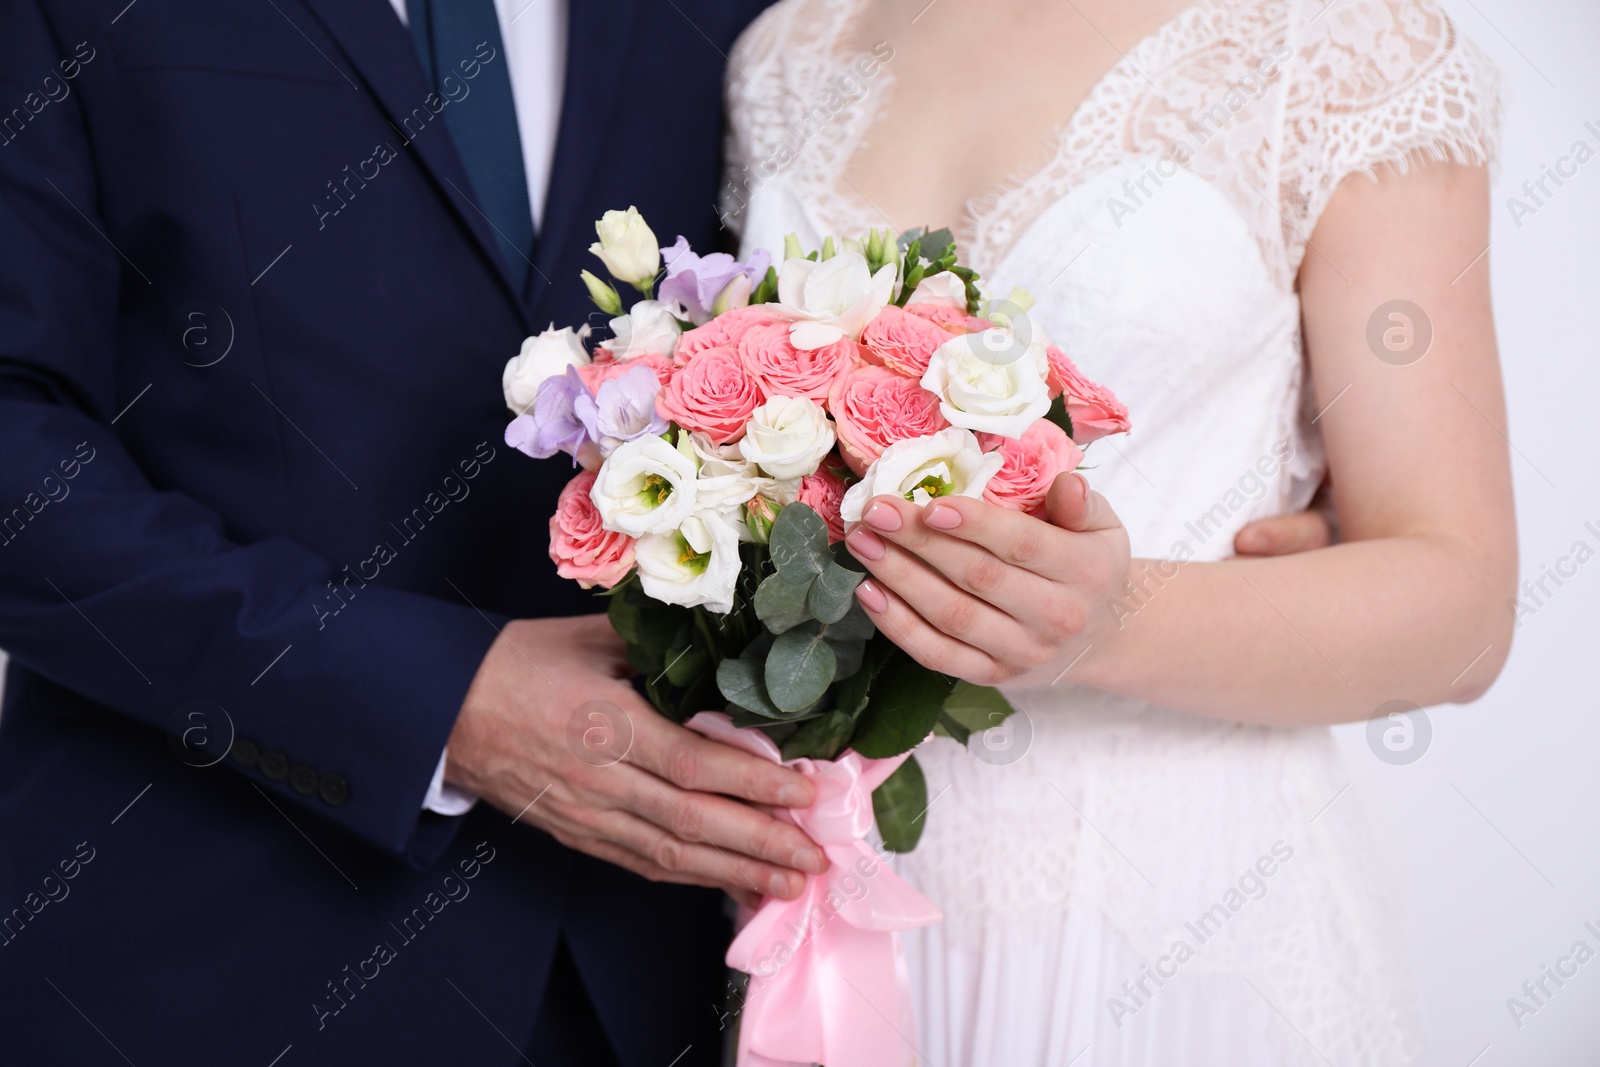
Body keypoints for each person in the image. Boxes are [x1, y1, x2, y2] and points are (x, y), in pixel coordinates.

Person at [0, 0, 1334, 1064]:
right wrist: (434, 700)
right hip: (213, 945)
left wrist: (1241, 543)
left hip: (700, 953)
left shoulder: (774, 20)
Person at [723, 0, 1513, 1063]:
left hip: (1184, 913)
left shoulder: (1340, 51)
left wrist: (1109, 623)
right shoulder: (791, 47)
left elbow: (1461, 604)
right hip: (842, 902)